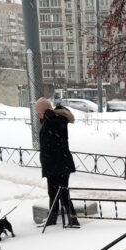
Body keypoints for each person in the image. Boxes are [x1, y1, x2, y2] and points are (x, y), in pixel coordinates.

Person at [35, 97, 79, 227]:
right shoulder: (51, 120)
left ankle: (73, 220)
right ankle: (53, 219)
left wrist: (49, 114)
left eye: (39, 113)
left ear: (45, 111)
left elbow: (55, 139)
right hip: (56, 165)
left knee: (63, 194)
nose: (39, 116)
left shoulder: (55, 120)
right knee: (53, 193)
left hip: (59, 165)